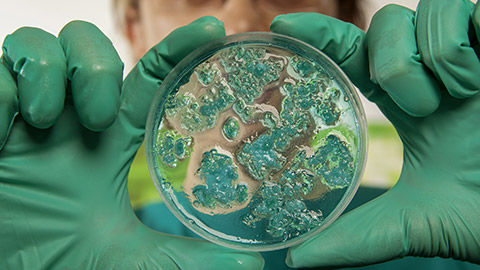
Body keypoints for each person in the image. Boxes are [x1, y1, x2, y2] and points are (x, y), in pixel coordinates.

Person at [0, 1, 479, 270]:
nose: (242, 21)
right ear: (133, 25)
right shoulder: (63, 232)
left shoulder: (446, 239)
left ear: (348, 20)